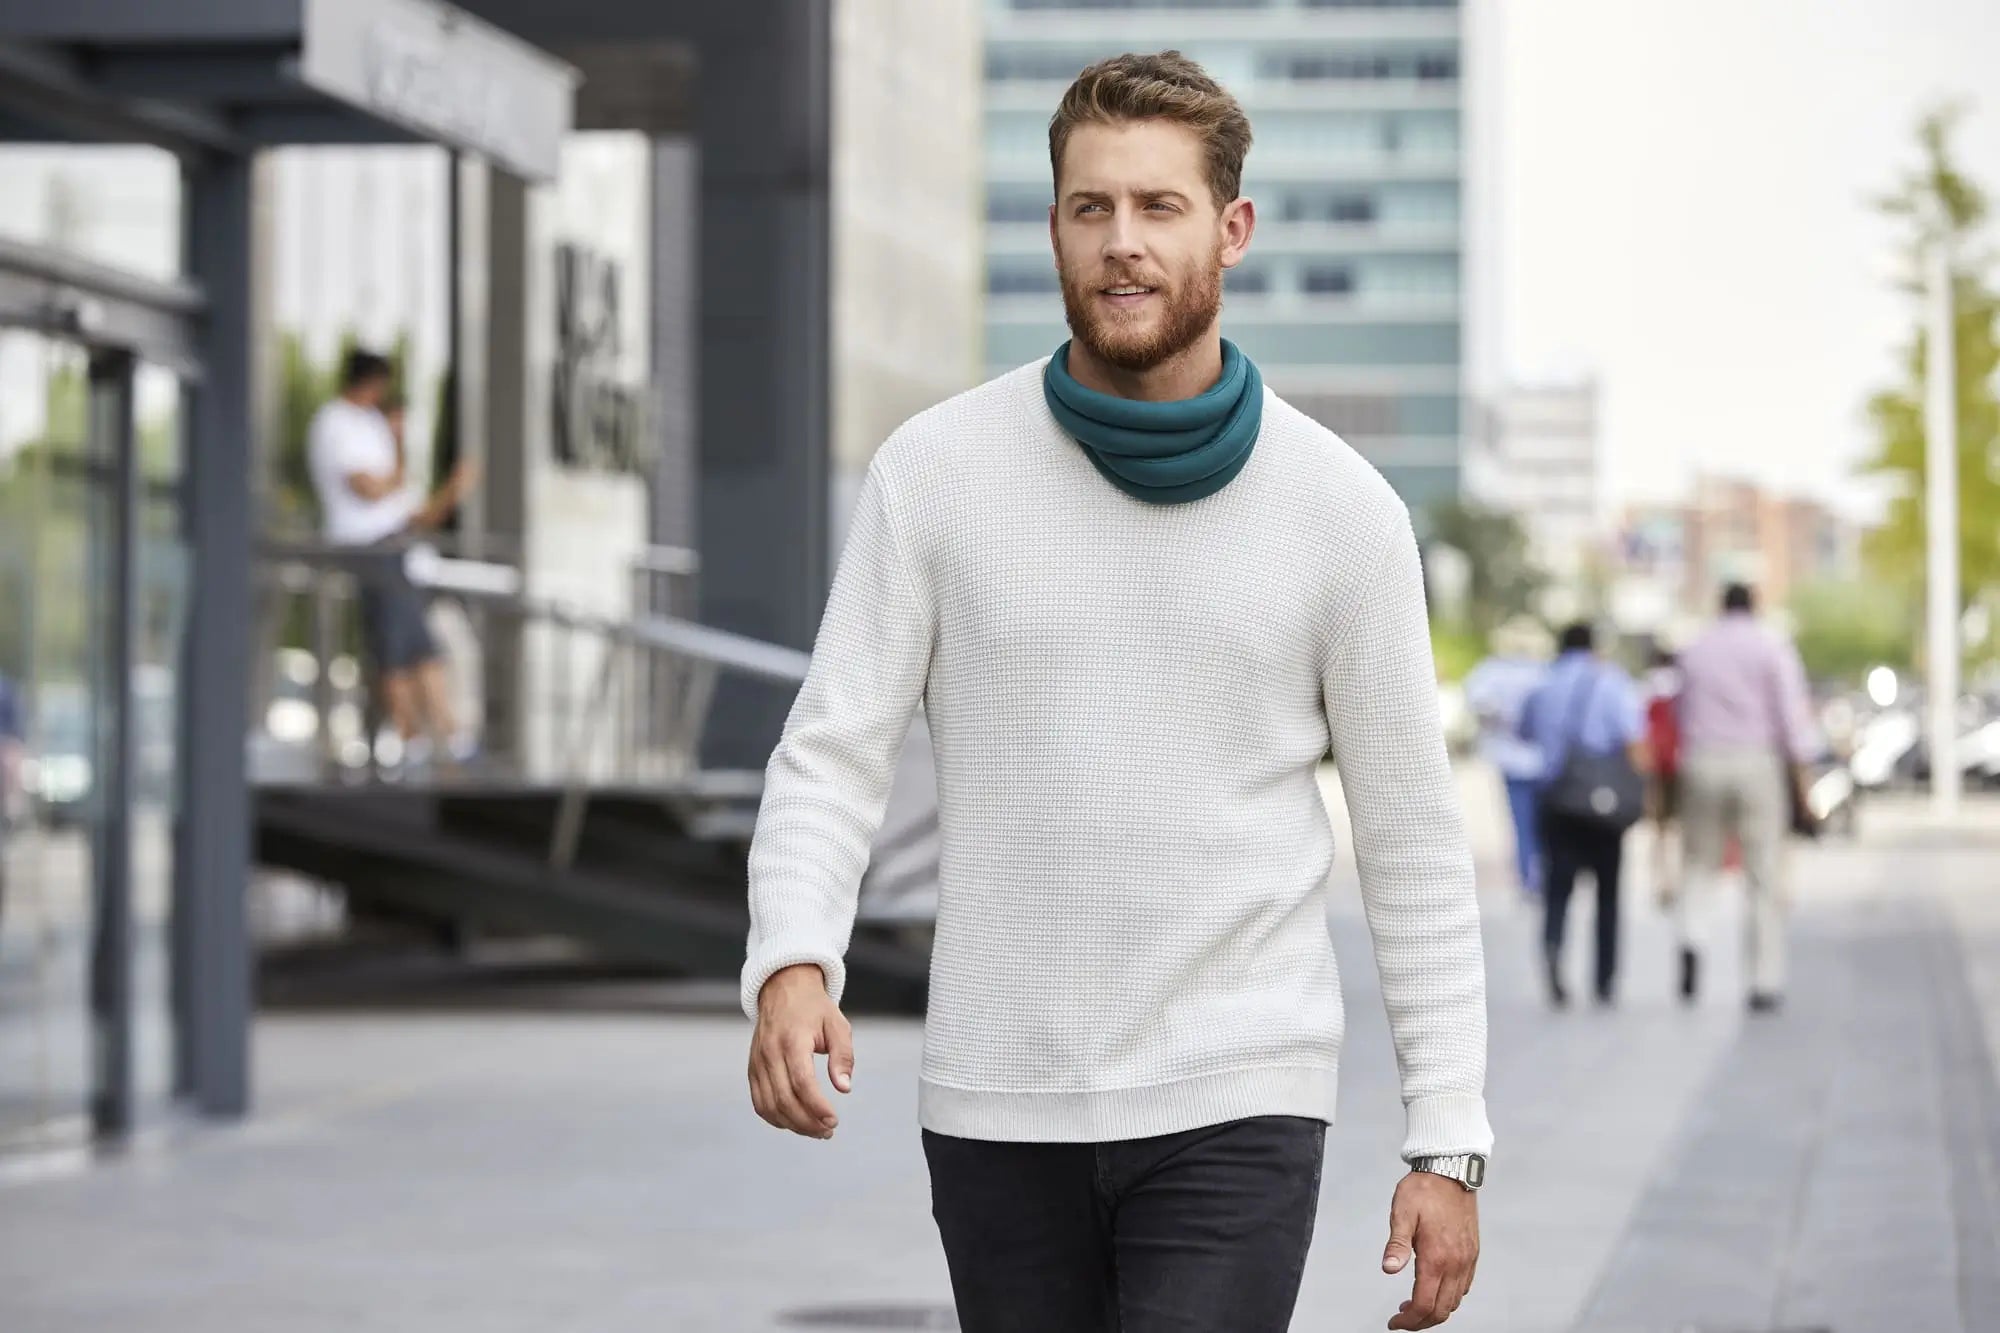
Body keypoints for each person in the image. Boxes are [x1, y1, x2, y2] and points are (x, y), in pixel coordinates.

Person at [741, 52, 1489, 1333]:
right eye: (1091, 209)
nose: (1121, 243)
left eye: (1158, 208)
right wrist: (792, 956)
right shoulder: (934, 476)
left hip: (1238, 1089)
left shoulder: (1341, 513)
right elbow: (832, 748)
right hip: (996, 1096)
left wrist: (1447, 1138)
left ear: (1231, 229)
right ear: (1053, 227)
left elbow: (1414, 838)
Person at [306, 351, 478, 767]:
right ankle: (410, 740)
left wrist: (451, 487)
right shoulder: (336, 422)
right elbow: (365, 486)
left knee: (420, 646)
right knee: (395, 649)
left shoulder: (371, 426)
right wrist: (392, 478)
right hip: (370, 548)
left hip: (399, 549)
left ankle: (447, 739)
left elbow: (408, 504)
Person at [1673, 583, 1818, 1013]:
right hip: (1757, 761)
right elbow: (1792, 722)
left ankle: (1692, 938)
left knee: (1699, 862)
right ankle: (1762, 980)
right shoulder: (1771, 647)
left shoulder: (1695, 648)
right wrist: (1803, 785)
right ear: (1754, 606)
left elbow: (1681, 711)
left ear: (1721, 605)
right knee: (1762, 874)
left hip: (1702, 760)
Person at [1518, 622, 1646, 1009]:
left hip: (1556, 799)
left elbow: (1525, 733)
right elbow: (1634, 740)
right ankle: (1604, 979)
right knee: (1608, 895)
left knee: (1558, 890)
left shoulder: (1542, 684)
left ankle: (1554, 950)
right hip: (1602, 802)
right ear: (1593, 647)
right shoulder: (1612, 683)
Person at [1463, 616, 1552, 900]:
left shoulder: (1492, 672)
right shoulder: (1544, 672)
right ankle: (1541, 874)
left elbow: (1479, 704)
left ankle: (1528, 876)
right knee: (1542, 823)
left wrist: (1501, 721)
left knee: (1521, 822)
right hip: (1542, 760)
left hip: (1512, 759)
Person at [1642, 647, 1685, 912]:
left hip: (1656, 764)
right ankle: (1677, 881)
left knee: (1658, 830)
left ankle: (1661, 882)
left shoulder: (1648, 687)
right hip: (1682, 761)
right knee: (1681, 828)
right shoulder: (1683, 686)